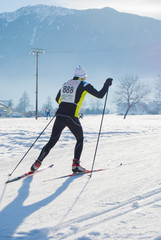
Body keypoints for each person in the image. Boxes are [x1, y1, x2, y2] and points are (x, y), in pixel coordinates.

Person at [30, 65, 113, 173]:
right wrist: (106, 85)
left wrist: (65, 105)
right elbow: (100, 95)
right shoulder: (84, 84)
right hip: (71, 117)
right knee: (80, 139)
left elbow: (57, 99)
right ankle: (76, 165)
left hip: (60, 115)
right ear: (83, 76)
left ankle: (37, 163)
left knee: (52, 140)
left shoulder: (66, 84)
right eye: (85, 76)